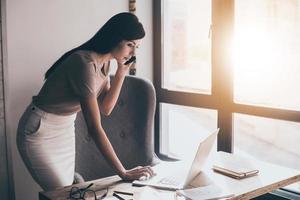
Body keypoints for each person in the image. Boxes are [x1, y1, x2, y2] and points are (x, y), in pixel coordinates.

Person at [16, 12, 154, 191]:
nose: (133, 52)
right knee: (61, 192)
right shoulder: (84, 63)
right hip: (39, 130)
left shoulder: (106, 63)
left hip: (65, 128)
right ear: (114, 38)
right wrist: (123, 172)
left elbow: (106, 109)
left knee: (67, 190)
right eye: (129, 44)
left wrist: (121, 73)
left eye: (136, 46)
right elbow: (94, 127)